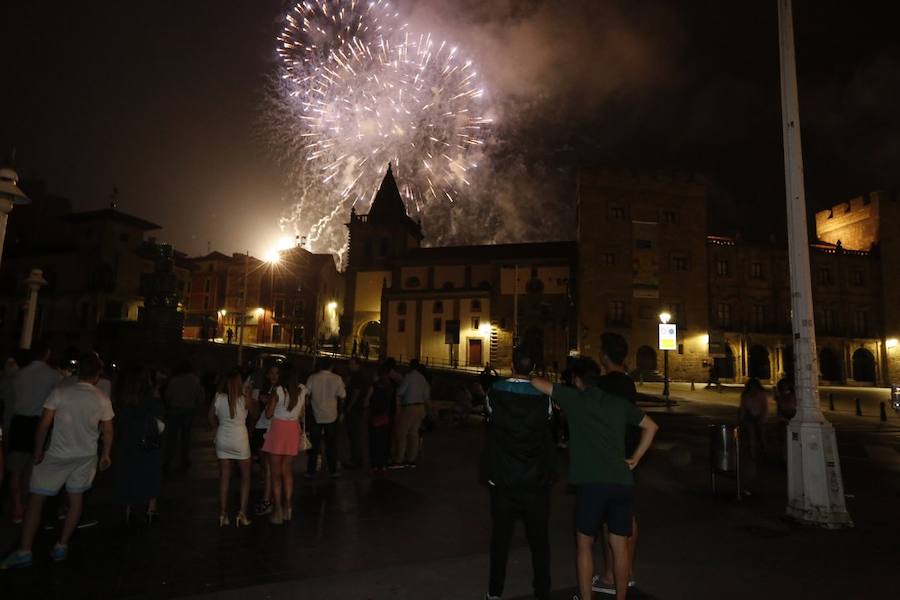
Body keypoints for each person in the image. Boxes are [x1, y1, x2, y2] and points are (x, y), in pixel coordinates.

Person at [531, 358, 658, 600]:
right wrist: (635, 458)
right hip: (621, 482)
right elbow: (651, 427)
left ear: (578, 380)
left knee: (584, 545)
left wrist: (526, 373)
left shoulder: (574, 398)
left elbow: (539, 383)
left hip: (591, 484)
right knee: (619, 547)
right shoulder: (617, 403)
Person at [1, 352, 114, 569]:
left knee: (37, 500)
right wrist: (106, 453)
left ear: (78, 371)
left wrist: (38, 450)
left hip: (58, 454)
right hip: (85, 456)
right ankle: (62, 545)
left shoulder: (60, 392)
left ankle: (25, 550)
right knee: (75, 500)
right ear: (98, 375)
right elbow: (108, 430)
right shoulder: (102, 398)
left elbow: (44, 424)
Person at [481, 349, 556, 600]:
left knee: (500, 539)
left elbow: (490, 416)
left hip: (503, 477)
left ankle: (495, 591)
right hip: (534, 479)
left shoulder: (495, 390)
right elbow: (547, 421)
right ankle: (542, 591)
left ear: (512, 365)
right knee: (539, 541)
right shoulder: (543, 395)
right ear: (533, 367)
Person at [593, 333, 640, 595]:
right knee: (628, 516)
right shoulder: (629, 384)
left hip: (608, 456)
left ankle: (612, 575)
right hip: (629, 454)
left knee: (608, 521)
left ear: (604, 355)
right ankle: (627, 570)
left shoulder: (602, 385)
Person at [7, 341, 62, 524]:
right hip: (38, 423)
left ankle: (17, 507)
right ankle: (26, 503)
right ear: (46, 354)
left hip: (19, 421)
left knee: (15, 468)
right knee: (33, 464)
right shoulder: (53, 375)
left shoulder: (19, 374)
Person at [113, 366, 165, 526]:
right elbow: (161, 425)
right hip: (148, 443)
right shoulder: (152, 400)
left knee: (128, 475)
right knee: (151, 474)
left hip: (127, 444)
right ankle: (151, 509)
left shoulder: (123, 401)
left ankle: (128, 509)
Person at [261, 365, 307, 524]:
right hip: (292, 430)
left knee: (275, 474)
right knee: (287, 471)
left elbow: (268, 414)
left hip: (278, 430)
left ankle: (278, 510)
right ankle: (288, 507)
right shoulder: (301, 391)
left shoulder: (278, 391)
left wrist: (268, 404)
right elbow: (301, 413)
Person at [208, 369, 252, 527]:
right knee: (246, 477)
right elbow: (256, 413)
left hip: (223, 438)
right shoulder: (244, 399)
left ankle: (223, 513)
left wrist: (216, 428)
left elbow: (210, 416)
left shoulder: (218, 397)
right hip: (240, 439)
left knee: (225, 476)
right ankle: (242, 513)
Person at [305, 358, 346, 478]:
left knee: (314, 444)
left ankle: (311, 471)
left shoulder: (312, 377)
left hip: (316, 415)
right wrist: (341, 412)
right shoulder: (337, 378)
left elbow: (306, 394)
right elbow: (342, 396)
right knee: (331, 444)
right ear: (331, 366)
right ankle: (332, 470)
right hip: (331, 415)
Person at [163, 360, 204, 473]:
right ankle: (184, 459)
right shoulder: (195, 380)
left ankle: (168, 460)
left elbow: (167, 396)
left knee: (172, 437)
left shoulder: (174, 380)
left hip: (175, 410)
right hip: (188, 410)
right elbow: (200, 396)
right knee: (186, 437)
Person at [390, 359, 431, 469]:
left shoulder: (409, 377)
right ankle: (411, 458)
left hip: (409, 407)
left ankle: (399, 459)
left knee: (402, 433)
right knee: (414, 434)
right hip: (420, 407)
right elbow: (426, 396)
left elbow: (400, 392)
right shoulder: (423, 379)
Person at [252, 362, 278, 515]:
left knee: (269, 468)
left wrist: (268, 400)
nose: (273, 376)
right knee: (267, 467)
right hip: (264, 428)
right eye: (271, 373)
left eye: (276, 373)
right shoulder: (269, 388)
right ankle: (272, 499)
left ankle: (268, 500)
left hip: (271, 430)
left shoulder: (278, 391)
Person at [345, 357, 372, 469]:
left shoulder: (357, 377)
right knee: (356, 435)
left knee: (354, 435)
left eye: (351, 364)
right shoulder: (363, 376)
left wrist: (349, 407)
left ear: (357, 365)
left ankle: (356, 459)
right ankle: (357, 458)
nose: (349, 366)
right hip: (359, 408)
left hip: (355, 409)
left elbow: (356, 393)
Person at [368, 363, 394, 472]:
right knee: (384, 441)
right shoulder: (389, 386)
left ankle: (374, 464)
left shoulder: (374, 386)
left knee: (374, 441)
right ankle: (382, 464)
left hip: (375, 416)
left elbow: (367, 400)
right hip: (385, 416)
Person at [739, 377, 769, 459]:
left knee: (762, 436)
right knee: (751, 436)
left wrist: (763, 418)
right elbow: (743, 407)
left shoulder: (761, 394)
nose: (753, 387)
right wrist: (741, 418)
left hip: (759, 416)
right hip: (749, 416)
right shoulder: (746, 395)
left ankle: (764, 452)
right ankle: (753, 454)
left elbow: (765, 407)